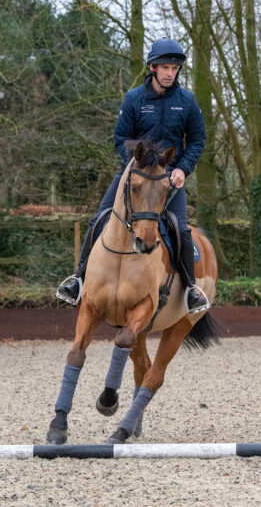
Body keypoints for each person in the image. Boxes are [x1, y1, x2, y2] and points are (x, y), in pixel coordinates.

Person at [56, 38, 209, 314]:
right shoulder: (134, 99)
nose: (169, 73)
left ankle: (190, 291)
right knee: (99, 220)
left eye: (174, 68)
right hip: (134, 177)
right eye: (164, 67)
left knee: (182, 231)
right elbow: (120, 138)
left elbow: (198, 139)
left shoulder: (186, 101)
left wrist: (182, 169)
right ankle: (77, 280)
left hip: (169, 181)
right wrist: (135, 169)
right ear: (152, 67)